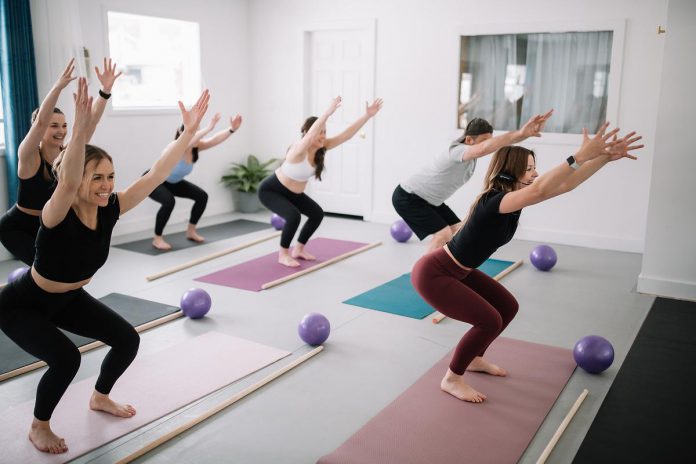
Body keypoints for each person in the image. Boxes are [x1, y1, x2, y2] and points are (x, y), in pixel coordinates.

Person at [0, 78, 209, 454]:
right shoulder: (56, 212)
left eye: (110, 177)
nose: (106, 185)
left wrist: (187, 136)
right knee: (66, 358)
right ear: (77, 178)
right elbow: (64, 183)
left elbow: (157, 173)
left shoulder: (111, 207)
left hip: (69, 298)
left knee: (128, 339)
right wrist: (79, 128)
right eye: (97, 178)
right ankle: (39, 425)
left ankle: (100, 397)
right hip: (22, 304)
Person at [411, 123, 643, 403]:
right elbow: (542, 189)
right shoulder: (494, 201)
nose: (535, 174)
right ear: (511, 171)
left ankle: (475, 358)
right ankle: (452, 378)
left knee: (508, 307)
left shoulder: (513, 200)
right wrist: (578, 157)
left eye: (535, 168)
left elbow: (565, 184)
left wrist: (604, 158)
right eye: (530, 169)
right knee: (488, 320)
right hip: (435, 274)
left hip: (458, 271)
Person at [0, 58, 121, 265]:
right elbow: (39, 124)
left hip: (49, 224)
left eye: (64, 125)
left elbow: (90, 123)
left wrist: (105, 91)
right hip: (18, 227)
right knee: (43, 268)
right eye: (54, 126)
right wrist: (57, 87)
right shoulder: (29, 155)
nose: (62, 131)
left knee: (58, 269)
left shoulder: (68, 155)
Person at [392, 110, 553, 252]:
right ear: (469, 140)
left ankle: (445, 268)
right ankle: (425, 275)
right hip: (409, 197)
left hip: (431, 201)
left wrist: (525, 135)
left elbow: (494, 147)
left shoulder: (470, 158)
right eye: (484, 140)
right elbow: (484, 148)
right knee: (443, 234)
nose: (488, 144)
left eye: (490, 140)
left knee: (458, 231)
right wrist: (519, 133)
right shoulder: (456, 151)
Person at [258, 96, 383, 267]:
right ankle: (283, 254)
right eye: (320, 132)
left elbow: (346, 135)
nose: (323, 136)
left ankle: (299, 249)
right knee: (293, 216)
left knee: (317, 214)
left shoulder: (321, 149)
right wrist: (327, 113)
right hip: (271, 190)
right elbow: (309, 137)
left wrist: (367, 116)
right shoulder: (298, 150)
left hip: (294, 194)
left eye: (325, 132)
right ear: (309, 133)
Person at [149, 112, 243, 250]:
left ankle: (191, 231)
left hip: (173, 183)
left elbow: (214, 140)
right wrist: (209, 127)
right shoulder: (177, 147)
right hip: (155, 181)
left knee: (202, 196)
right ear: (184, 133)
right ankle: (157, 238)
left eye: (198, 131)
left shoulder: (195, 148)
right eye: (194, 132)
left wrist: (231, 129)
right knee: (169, 201)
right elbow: (190, 140)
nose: (198, 135)